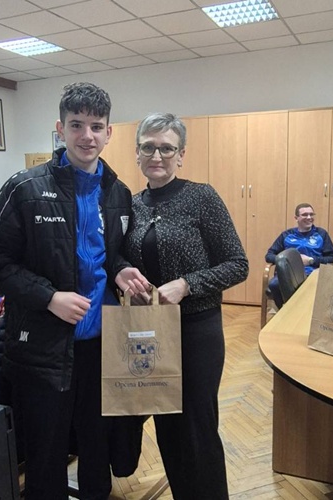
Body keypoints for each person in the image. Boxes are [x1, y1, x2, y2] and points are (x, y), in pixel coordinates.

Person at [0, 82, 149, 500]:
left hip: (102, 345)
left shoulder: (118, 193)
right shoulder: (25, 188)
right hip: (44, 348)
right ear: (60, 129)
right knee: (47, 453)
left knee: (97, 445)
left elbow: (109, 255)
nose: (87, 135)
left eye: (96, 126)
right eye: (76, 125)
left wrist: (120, 269)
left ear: (109, 133)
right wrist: (49, 297)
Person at [120, 112, 249, 500]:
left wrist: (186, 284)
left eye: (166, 148)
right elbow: (118, 257)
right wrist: (125, 274)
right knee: (168, 429)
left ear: (181, 154)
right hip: (148, 331)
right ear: (137, 153)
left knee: (197, 430)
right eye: (148, 147)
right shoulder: (131, 205)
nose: (157, 155)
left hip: (195, 331)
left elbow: (237, 264)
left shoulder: (201, 197)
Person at [265, 203, 333, 308]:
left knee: (310, 287)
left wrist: (311, 260)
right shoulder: (286, 235)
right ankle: (285, 311)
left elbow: (332, 258)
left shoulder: (321, 234)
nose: (309, 217)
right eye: (305, 215)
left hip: (313, 273)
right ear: (296, 218)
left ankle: (302, 312)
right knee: (274, 284)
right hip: (288, 274)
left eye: (311, 214)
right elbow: (269, 256)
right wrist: (287, 261)